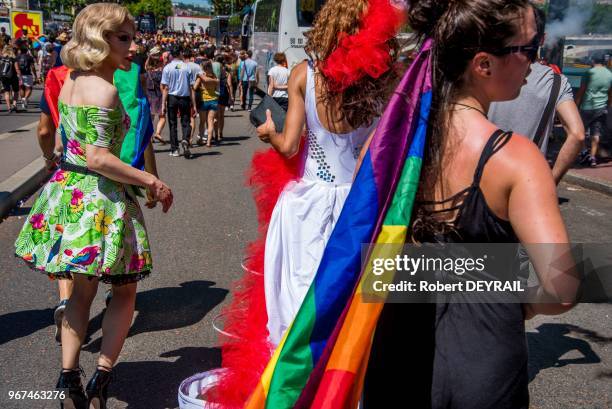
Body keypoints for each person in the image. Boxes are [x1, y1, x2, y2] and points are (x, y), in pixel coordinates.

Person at [364, 1, 579, 407]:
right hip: (483, 365)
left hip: (396, 356)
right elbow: (561, 286)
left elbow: (365, 262)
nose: (535, 63)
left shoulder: (387, 145)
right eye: (529, 50)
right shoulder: (517, 157)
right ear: (483, 65)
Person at [14, 4, 173, 408]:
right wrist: (151, 180)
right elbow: (99, 157)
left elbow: (69, 143)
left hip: (70, 195)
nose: (132, 45)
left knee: (79, 296)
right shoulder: (103, 90)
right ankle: (101, 378)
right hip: (100, 200)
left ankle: (69, 376)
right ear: (99, 40)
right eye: (123, 37)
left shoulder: (71, 80)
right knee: (123, 294)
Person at [255, 0, 395, 346]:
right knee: (349, 305)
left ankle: (296, 383)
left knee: (300, 303)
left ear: (328, 27)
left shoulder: (304, 74)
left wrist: (267, 133)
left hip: (308, 203)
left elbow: (288, 146)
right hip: (360, 205)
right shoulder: (385, 81)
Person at [488, 6, 585, 184]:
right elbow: (577, 134)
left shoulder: (486, 68)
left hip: (481, 174)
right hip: (528, 182)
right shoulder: (556, 81)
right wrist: (551, 181)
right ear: (542, 39)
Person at [575, 53, 612, 167]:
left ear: (593, 61)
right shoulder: (610, 74)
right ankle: (592, 157)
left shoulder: (588, 73)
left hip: (587, 107)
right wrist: (608, 105)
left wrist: (575, 105)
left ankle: (584, 152)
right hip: (601, 108)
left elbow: (581, 91)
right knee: (596, 133)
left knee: (579, 132)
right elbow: (610, 93)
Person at [160, 45, 197, 158]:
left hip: (172, 97)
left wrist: (163, 104)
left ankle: (174, 149)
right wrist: (194, 105)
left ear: (171, 55)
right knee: (186, 121)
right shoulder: (187, 67)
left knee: (173, 123)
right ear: (180, 54)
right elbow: (192, 88)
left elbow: (165, 87)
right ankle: (185, 139)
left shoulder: (167, 68)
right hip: (184, 97)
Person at [194, 60, 219, 147]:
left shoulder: (201, 76)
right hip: (214, 100)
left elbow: (194, 87)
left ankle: (200, 139)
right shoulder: (214, 76)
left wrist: (201, 88)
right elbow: (216, 88)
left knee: (202, 122)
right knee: (210, 121)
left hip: (204, 100)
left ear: (203, 68)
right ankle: (208, 141)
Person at [145, 46, 166, 144]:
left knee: (151, 118)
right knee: (162, 117)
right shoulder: (162, 73)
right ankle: (157, 133)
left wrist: (149, 56)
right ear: (159, 63)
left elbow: (146, 66)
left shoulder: (148, 72)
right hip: (159, 97)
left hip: (149, 97)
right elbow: (164, 86)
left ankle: (150, 136)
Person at [216, 54, 233, 140]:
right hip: (224, 94)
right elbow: (229, 85)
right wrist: (231, 97)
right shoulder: (227, 72)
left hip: (215, 93)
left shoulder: (214, 70)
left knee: (216, 115)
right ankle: (220, 133)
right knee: (222, 115)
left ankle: (214, 133)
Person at [0, 45, 21, 113]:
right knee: (16, 91)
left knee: (6, 92)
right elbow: (17, 68)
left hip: (3, 76)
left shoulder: (1, 58)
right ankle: (14, 105)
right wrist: (20, 76)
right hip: (13, 76)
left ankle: (9, 108)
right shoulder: (13, 58)